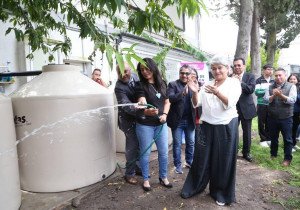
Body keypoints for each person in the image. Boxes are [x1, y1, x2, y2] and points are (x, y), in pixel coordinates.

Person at [181, 55, 241, 206]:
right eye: (213, 68)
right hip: (206, 125)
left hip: (226, 125)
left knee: (223, 160)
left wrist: (217, 93)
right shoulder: (208, 83)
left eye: (220, 67)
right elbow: (196, 104)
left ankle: (220, 192)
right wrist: (195, 92)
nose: (216, 71)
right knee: (201, 158)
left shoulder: (233, 83)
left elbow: (230, 102)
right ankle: (195, 186)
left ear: (228, 68)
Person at [135, 58, 172, 191]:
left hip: (161, 124)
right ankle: (145, 179)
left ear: (153, 68)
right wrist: (146, 109)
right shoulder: (139, 85)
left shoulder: (162, 83)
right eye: (142, 70)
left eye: (147, 68)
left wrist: (165, 115)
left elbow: (167, 102)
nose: (145, 72)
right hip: (145, 125)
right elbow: (142, 100)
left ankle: (163, 177)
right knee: (146, 153)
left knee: (163, 152)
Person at [264, 68, 297, 166]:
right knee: (273, 138)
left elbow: (292, 100)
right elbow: (266, 100)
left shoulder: (291, 86)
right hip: (272, 117)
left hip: (286, 117)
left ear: (285, 76)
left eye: (280, 75)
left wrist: (281, 95)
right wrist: (273, 96)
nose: (278, 77)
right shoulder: (270, 86)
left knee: (287, 139)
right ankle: (273, 154)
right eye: (276, 75)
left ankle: (287, 158)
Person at [114, 63, 141, 184]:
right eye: (119, 72)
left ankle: (137, 167)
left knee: (139, 144)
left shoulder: (135, 77)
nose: (123, 74)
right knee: (132, 146)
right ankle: (129, 174)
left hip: (139, 117)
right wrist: (140, 107)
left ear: (130, 70)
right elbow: (126, 106)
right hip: (127, 120)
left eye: (125, 71)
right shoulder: (118, 87)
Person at [167, 64, 195, 174]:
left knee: (191, 142)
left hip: (190, 120)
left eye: (187, 73)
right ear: (179, 73)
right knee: (177, 144)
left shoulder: (194, 85)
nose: (184, 75)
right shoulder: (173, 84)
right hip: (177, 121)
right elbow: (171, 98)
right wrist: (183, 92)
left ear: (190, 74)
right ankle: (177, 165)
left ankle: (189, 161)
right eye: (182, 73)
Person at [232, 58, 257, 162]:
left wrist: (240, 82)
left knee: (247, 132)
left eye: (239, 65)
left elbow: (250, 90)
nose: (237, 67)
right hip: (233, 109)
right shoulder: (230, 77)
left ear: (244, 66)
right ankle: (233, 152)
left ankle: (246, 153)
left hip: (246, 108)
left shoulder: (250, 76)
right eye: (235, 65)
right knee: (233, 131)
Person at [255, 64, 274, 147]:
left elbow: (275, 92)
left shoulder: (273, 81)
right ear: (264, 70)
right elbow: (257, 93)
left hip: (271, 104)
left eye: (271, 69)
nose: (270, 71)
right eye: (268, 69)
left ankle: (269, 138)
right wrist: (266, 88)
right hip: (261, 103)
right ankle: (263, 139)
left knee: (270, 121)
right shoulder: (259, 80)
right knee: (261, 121)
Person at [287, 73, 300, 151]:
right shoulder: (287, 87)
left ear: (297, 80)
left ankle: (293, 143)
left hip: (297, 112)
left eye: (294, 79)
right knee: (288, 129)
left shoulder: (299, 88)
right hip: (288, 111)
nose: (292, 80)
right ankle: (289, 145)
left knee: (295, 128)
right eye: (291, 79)